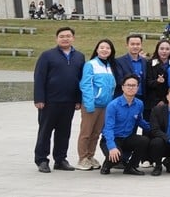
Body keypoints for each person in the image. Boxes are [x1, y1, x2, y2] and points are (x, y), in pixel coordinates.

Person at [34, 27, 84, 173]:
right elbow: (39, 77)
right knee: (45, 131)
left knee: (64, 132)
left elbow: (80, 80)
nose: (65, 38)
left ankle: (60, 159)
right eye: (62, 36)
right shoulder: (47, 55)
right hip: (49, 101)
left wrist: (78, 99)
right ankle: (42, 159)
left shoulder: (79, 57)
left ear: (73, 38)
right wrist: (39, 98)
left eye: (68, 36)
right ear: (57, 39)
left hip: (68, 101)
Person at [77, 38, 116, 171]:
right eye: (102, 47)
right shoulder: (91, 64)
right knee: (86, 132)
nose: (105, 50)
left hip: (105, 106)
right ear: (97, 49)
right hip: (92, 104)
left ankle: (90, 155)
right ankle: (82, 158)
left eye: (108, 48)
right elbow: (86, 84)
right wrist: (89, 103)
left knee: (96, 133)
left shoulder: (110, 66)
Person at [99, 75, 150, 175]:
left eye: (134, 85)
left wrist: (154, 128)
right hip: (111, 138)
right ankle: (106, 165)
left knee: (144, 140)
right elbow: (108, 128)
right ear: (122, 87)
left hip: (127, 137)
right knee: (118, 157)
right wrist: (112, 147)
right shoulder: (113, 105)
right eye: (128, 85)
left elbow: (139, 120)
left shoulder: (139, 104)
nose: (131, 88)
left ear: (137, 87)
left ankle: (130, 168)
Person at [144, 39, 170, 109]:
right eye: (162, 49)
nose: (164, 51)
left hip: (169, 102)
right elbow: (147, 82)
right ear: (157, 49)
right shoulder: (149, 63)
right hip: (151, 102)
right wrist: (157, 81)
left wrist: (164, 100)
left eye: (167, 49)